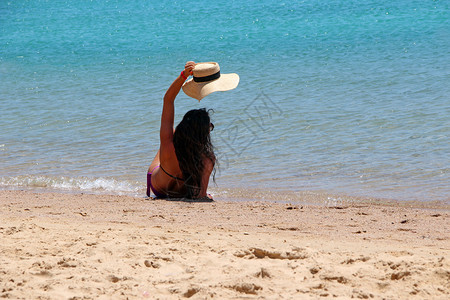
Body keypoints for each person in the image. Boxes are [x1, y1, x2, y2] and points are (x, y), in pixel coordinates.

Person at [147, 61, 216, 200]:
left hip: (157, 187)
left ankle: (183, 135)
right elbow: (201, 196)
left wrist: (183, 76)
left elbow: (168, 100)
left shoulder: (168, 143)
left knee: (169, 135)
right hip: (182, 192)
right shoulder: (207, 159)